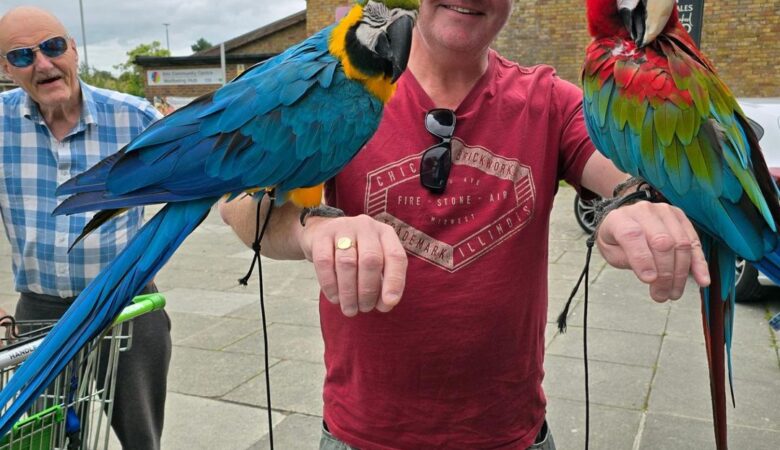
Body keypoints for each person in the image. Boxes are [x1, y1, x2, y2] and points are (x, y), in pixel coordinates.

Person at [220, 1, 709, 449]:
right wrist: (313, 227)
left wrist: (632, 206)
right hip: (361, 435)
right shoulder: (343, 96)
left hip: (510, 436)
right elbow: (237, 206)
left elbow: (619, 176)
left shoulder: (552, 102)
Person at [0, 7, 171, 450]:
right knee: (41, 439)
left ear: (73, 49)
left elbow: (206, 176)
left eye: (53, 47)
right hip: (39, 313)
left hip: (125, 307)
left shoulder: (134, 117)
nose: (43, 64)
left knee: (141, 437)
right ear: (5, 68)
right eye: (22, 56)